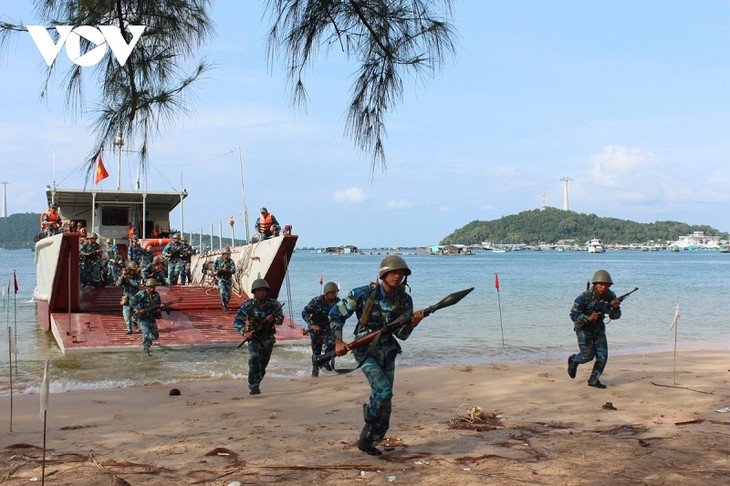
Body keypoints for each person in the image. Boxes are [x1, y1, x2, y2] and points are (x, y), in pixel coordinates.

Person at [328, 255, 424, 456]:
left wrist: (414, 323)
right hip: (365, 351)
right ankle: (370, 420)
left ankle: (370, 440)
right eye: (393, 272)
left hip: (388, 352)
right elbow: (336, 313)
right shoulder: (363, 294)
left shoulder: (404, 300)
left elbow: (402, 335)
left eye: (401, 274)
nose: (397, 277)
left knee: (386, 403)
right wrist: (338, 340)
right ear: (384, 274)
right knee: (383, 392)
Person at [567, 269, 622, 389]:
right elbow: (573, 314)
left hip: (599, 328)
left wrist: (615, 308)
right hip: (584, 329)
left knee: (603, 356)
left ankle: (594, 380)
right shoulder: (585, 297)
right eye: (601, 285)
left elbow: (615, 317)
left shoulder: (610, 296)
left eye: (606, 285)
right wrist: (588, 318)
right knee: (587, 356)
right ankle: (573, 360)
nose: (603, 287)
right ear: (595, 284)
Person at [233, 278, 284, 395]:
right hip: (254, 337)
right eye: (259, 290)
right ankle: (253, 386)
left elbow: (281, 319)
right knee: (254, 360)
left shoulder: (274, 304)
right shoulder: (248, 305)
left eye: (264, 290)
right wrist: (244, 332)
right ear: (254, 292)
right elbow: (238, 321)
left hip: (267, 338)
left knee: (262, 365)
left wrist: (274, 319)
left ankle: (257, 380)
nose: (262, 293)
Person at [302, 281, 339, 377]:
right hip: (316, 328)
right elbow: (304, 313)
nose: (333, 294)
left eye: (335, 292)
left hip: (329, 328)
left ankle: (326, 361)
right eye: (331, 292)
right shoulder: (316, 301)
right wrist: (312, 324)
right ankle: (315, 369)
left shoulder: (338, 302)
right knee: (316, 350)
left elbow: (341, 315)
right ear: (326, 293)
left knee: (332, 343)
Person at [130, 278, 164, 356]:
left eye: (154, 287)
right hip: (143, 317)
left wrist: (161, 307)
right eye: (151, 287)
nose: (152, 289)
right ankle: (146, 348)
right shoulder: (142, 293)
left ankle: (148, 343)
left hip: (151, 316)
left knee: (155, 335)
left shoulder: (156, 294)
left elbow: (158, 304)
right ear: (147, 287)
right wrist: (139, 309)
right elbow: (132, 301)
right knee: (145, 334)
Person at [117, 262, 142, 334]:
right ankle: (129, 329)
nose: (133, 271)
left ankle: (134, 322)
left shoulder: (137, 276)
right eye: (131, 270)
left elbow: (136, 285)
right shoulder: (125, 276)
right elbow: (118, 284)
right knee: (126, 315)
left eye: (134, 270)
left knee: (137, 313)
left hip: (135, 298)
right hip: (127, 298)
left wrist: (129, 279)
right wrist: (123, 276)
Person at [213, 247, 236, 311]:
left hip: (228, 279)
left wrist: (228, 270)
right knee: (222, 292)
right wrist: (215, 271)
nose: (228, 256)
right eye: (226, 254)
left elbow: (234, 270)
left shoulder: (231, 261)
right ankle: (224, 305)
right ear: (223, 254)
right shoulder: (218, 260)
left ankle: (226, 302)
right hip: (221, 278)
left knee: (228, 295)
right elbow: (214, 267)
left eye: (229, 254)